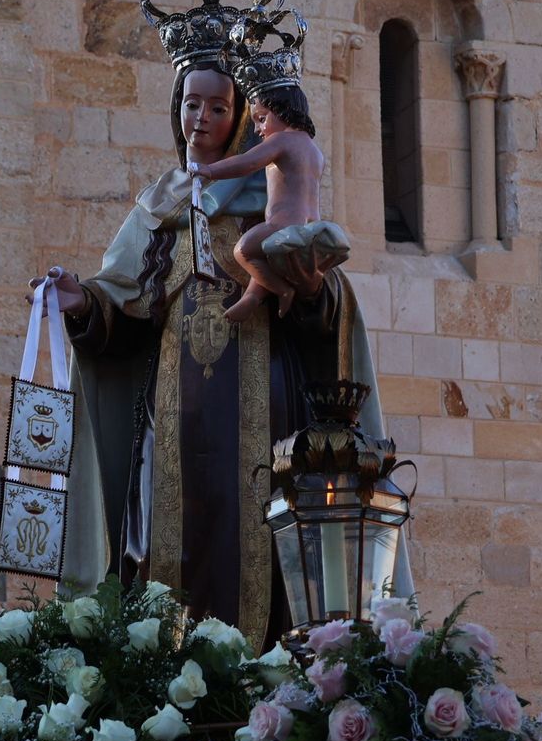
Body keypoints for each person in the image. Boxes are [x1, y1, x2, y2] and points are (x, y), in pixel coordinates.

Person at [30, 62, 384, 648]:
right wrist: (83, 303)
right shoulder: (160, 206)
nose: (202, 118)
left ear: (243, 117)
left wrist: (312, 285)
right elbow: (128, 305)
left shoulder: (269, 194)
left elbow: (323, 303)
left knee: (262, 534)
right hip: (174, 415)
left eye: (219, 107)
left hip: (266, 408)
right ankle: (167, 679)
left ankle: (263, 672)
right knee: (170, 539)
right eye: (192, 104)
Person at [189, 82, 323, 322]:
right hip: (311, 225)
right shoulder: (313, 149)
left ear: (282, 110)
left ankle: (282, 290)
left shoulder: (281, 140)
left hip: (284, 225)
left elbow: (247, 163)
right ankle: (251, 297)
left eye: (261, 119)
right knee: (266, 258)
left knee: (245, 251)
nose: (258, 129)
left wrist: (208, 170)